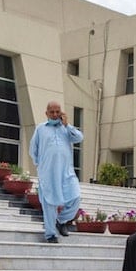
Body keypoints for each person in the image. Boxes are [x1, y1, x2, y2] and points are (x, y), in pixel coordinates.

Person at [28, 100, 83, 243]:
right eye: (52, 112)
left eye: (57, 112)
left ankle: (61, 220)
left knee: (75, 197)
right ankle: (51, 234)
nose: (55, 114)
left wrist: (67, 124)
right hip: (48, 173)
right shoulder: (40, 129)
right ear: (46, 113)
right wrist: (40, 166)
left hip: (66, 172)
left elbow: (79, 138)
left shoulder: (66, 129)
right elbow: (33, 149)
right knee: (49, 204)